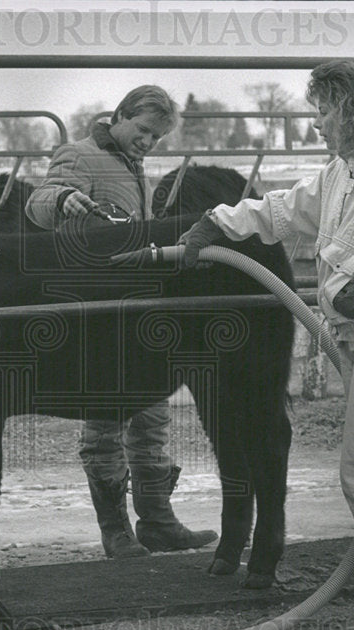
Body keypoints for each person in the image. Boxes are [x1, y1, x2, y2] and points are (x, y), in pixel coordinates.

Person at [179, 60, 354, 630]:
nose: (317, 126)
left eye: (324, 113)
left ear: (353, 113)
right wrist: (215, 221)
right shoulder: (343, 175)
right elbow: (281, 209)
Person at [25, 85, 218, 559]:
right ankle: (115, 530)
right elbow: (40, 201)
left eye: (157, 137)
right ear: (121, 116)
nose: (149, 142)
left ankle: (157, 521)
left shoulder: (136, 169)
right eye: (144, 130)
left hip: (139, 310)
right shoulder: (79, 154)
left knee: (152, 415)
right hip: (98, 313)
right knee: (106, 418)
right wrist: (63, 199)